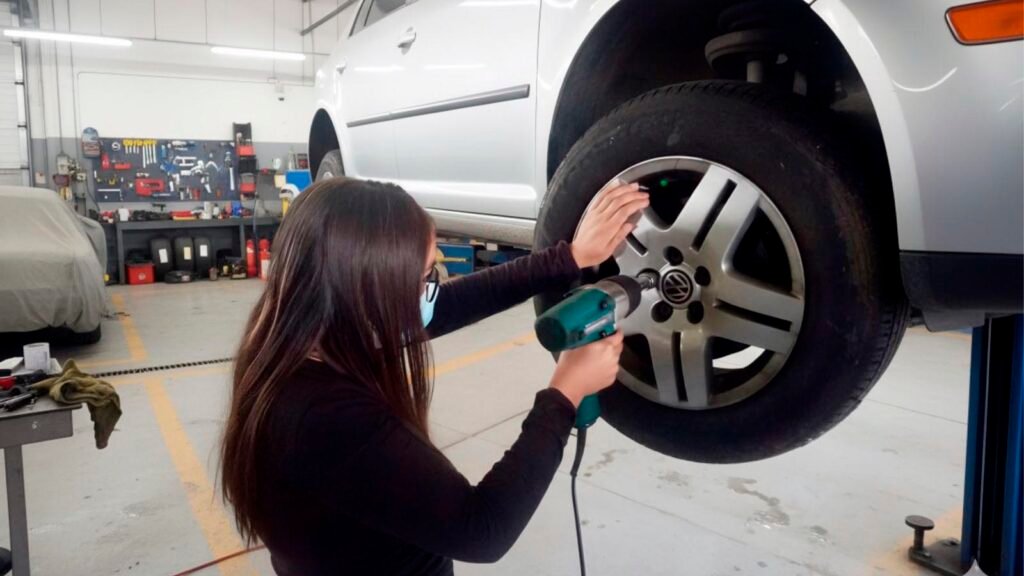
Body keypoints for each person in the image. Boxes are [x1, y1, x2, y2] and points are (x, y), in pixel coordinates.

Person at [220, 177, 649, 575]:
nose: (433, 289)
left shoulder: (304, 333)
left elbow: (447, 306)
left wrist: (569, 258)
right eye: (426, 276)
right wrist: (564, 395)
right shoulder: (326, 417)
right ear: (371, 289)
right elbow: (482, 531)